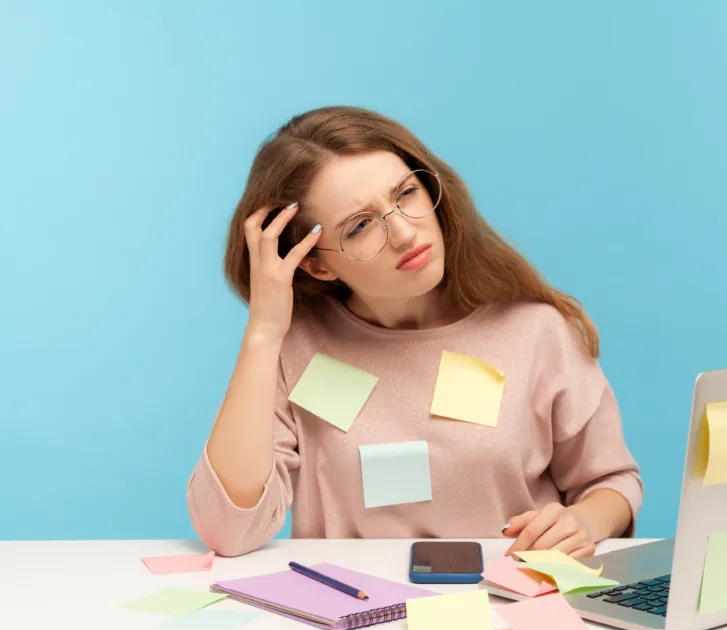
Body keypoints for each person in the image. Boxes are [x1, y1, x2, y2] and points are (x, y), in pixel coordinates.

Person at [186, 105, 643, 559]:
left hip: (511, 609)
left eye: (406, 193)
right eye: (361, 226)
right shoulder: (296, 348)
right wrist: (263, 332)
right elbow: (229, 530)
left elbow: (612, 482)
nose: (405, 233)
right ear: (315, 263)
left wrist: (584, 520)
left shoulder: (536, 332)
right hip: (358, 615)